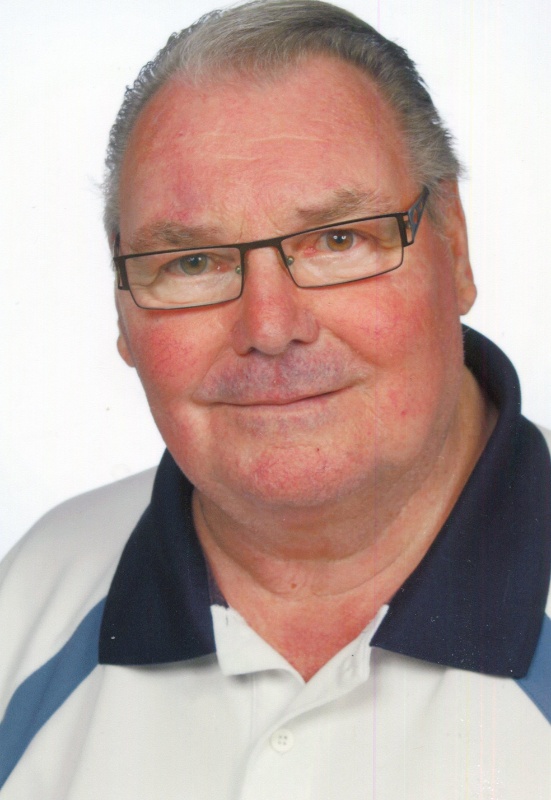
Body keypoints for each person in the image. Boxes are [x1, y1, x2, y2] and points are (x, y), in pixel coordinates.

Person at [1, 0, 549, 796]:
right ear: (120, 307)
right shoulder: (30, 606)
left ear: (454, 247)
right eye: (192, 263)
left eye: (338, 239)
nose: (269, 327)